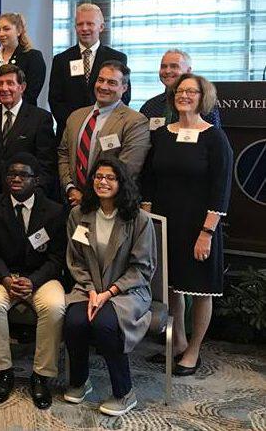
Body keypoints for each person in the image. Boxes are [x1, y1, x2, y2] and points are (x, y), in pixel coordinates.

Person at [142, 73, 232, 376]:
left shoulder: (214, 137)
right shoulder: (163, 134)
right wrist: (148, 220)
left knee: (200, 289)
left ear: (202, 97)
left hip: (199, 226)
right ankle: (178, 342)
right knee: (172, 287)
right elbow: (149, 180)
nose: (185, 96)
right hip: (166, 223)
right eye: (181, 91)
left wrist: (207, 232)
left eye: (191, 92)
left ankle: (194, 350)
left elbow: (221, 189)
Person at [64, 158, 156, 417]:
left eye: (110, 178)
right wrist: (92, 290)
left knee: (105, 324)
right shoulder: (78, 215)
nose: (102, 182)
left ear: (121, 183)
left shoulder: (139, 219)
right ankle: (80, 381)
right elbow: (75, 259)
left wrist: (108, 293)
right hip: (88, 287)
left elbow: (142, 268)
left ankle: (124, 392)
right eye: (98, 177)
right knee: (74, 320)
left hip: (127, 291)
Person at [0, 153, 67, 409]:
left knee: (54, 307)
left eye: (23, 175)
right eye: (11, 174)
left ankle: (41, 375)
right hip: (3, 275)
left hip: (41, 277)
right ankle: (4, 371)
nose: (16, 179)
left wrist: (33, 281)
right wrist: (5, 278)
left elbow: (57, 257)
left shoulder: (54, 211)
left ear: (36, 180)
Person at [58, 61, 150, 207]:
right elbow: (63, 154)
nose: (103, 86)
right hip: (73, 203)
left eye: (112, 82)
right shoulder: (76, 116)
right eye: (101, 80)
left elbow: (128, 169)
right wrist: (70, 188)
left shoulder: (135, 121)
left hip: (111, 206)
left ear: (124, 88)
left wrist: (88, 197)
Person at [0, 64, 56, 217]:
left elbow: (46, 166)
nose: (4, 88)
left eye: (10, 83)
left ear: (22, 87)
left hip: (26, 203)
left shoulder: (40, 119)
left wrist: (34, 200)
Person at [49, 4, 130, 138]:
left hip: (107, 131)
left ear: (101, 27)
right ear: (75, 27)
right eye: (80, 24)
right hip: (70, 132)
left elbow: (124, 96)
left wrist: (102, 122)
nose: (84, 28)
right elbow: (55, 99)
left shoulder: (118, 58)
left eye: (90, 24)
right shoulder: (61, 60)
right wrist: (75, 124)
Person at [139, 49, 221, 128]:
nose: (167, 71)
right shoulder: (149, 106)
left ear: (188, 71)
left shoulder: (202, 104)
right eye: (163, 67)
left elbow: (213, 136)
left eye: (174, 66)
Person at [0, 12, 47, 108]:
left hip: (24, 117)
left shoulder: (33, 57)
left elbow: (31, 94)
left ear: (19, 31)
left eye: (6, 29)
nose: (1, 33)